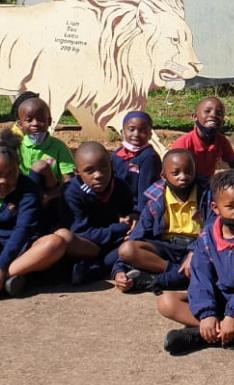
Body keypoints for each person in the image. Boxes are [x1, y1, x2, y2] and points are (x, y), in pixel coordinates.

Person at [156, 169, 234, 355]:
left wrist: (233, 315)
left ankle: (207, 335)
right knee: (166, 302)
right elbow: (201, 277)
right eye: (231, 206)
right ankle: (226, 333)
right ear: (215, 208)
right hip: (217, 300)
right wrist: (206, 313)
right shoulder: (206, 236)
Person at [112, 149, 211, 293]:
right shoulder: (156, 200)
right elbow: (137, 236)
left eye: (188, 171)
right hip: (167, 248)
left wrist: (193, 251)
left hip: (198, 247)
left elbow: (213, 228)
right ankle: (179, 273)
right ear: (164, 175)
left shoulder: (207, 196)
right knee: (127, 249)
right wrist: (119, 270)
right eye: (176, 173)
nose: (183, 177)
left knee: (208, 261)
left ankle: (159, 280)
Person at [62, 142, 135, 285]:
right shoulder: (71, 192)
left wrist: (133, 218)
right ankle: (103, 265)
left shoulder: (120, 186)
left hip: (113, 241)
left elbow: (128, 213)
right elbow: (80, 231)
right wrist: (120, 228)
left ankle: (98, 267)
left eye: (104, 167)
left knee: (137, 240)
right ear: (77, 172)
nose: (99, 175)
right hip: (86, 244)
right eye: (89, 171)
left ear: (111, 165)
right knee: (65, 238)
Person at [0, 128, 61, 297]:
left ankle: (8, 274)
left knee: (55, 243)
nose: (3, 180)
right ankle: (15, 277)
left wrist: (2, 265)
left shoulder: (28, 191)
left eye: (9, 173)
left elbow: (23, 229)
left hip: (22, 247)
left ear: (18, 167)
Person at [16, 96, 75, 209]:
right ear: (20, 125)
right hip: (23, 197)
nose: (35, 123)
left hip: (50, 198)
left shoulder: (59, 147)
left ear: (49, 121)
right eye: (29, 120)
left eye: (41, 119)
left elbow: (69, 181)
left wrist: (48, 196)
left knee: (41, 166)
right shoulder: (17, 147)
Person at [172, 96, 234, 178]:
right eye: (207, 111)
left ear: (223, 122)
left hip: (208, 182)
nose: (213, 115)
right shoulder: (183, 143)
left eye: (219, 113)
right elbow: (173, 173)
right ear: (195, 117)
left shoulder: (222, 141)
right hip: (187, 181)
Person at [111, 111, 161, 217]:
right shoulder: (117, 154)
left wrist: (138, 214)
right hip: (117, 205)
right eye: (131, 129)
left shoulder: (149, 157)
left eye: (142, 130)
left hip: (135, 209)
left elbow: (146, 190)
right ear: (122, 131)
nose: (136, 134)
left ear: (150, 134)